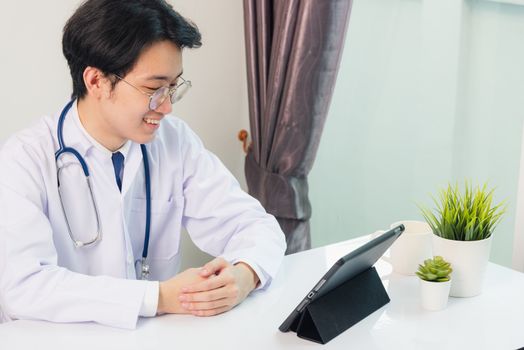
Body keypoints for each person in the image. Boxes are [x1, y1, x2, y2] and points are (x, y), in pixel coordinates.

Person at [0, 0, 286, 329]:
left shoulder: (174, 141)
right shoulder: (25, 159)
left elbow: (255, 225)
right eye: (154, 89)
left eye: (173, 87)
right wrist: (158, 297)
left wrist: (245, 273)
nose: (166, 108)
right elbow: (23, 287)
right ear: (95, 81)